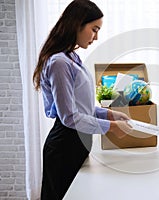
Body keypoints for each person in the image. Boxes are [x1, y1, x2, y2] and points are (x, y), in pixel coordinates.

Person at [32, 0, 132, 199]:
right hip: (64, 146)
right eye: (94, 29)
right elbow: (69, 117)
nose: (96, 37)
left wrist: (110, 113)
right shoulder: (59, 62)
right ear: (77, 24)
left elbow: (82, 108)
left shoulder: (72, 58)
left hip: (77, 143)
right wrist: (112, 127)